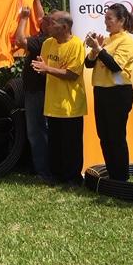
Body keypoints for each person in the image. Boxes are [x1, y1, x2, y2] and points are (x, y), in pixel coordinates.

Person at [31, 10, 87, 185]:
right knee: (55, 143)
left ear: (64, 27)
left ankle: (73, 179)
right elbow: (45, 70)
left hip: (71, 105)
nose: (48, 26)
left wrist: (47, 68)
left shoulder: (76, 45)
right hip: (52, 103)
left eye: (52, 23)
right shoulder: (48, 43)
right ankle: (56, 176)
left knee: (71, 144)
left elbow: (72, 74)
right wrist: (41, 69)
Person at [85, 3, 133, 181]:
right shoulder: (107, 39)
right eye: (105, 18)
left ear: (121, 20)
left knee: (116, 136)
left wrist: (98, 49)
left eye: (109, 18)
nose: (106, 22)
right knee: (104, 136)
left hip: (118, 93)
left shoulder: (127, 40)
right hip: (101, 91)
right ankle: (112, 174)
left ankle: (121, 177)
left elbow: (115, 66)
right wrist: (94, 49)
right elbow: (88, 64)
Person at [14, 0, 52, 181]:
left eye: (46, 20)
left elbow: (20, 40)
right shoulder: (47, 36)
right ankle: (41, 168)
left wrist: (23, 19)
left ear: (51, 26)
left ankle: (43, 171)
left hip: (37, 92)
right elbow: (41, 16)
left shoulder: (43, 41)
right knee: (40, 128)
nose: (40, 19)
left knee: (37, 130)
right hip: (37, 90)